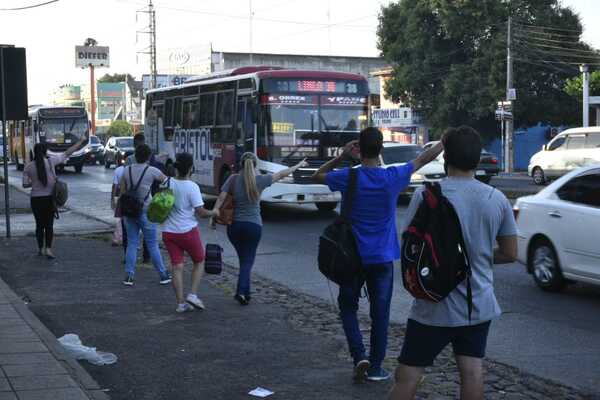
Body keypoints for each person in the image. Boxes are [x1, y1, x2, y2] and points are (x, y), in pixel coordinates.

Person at [389, 126, 518, 400]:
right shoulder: (497, 200)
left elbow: (410, 243)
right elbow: (510, 253)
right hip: (477, 306)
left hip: (431, 305)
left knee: (408, 374)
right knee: (472, 372)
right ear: (477, 159)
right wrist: (475, 256)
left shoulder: (425, 196)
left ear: (446, 158)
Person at [312, 127, 443, 383]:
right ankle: (375, 368)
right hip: (382, 257)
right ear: (381, 149)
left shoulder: (348, 177)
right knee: (380, 313)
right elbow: (425, 157)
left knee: (348, 307)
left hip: (351, 256)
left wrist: (341, 156)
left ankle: (358, 354)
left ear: (359, 149)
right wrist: (445, 139)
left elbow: (319, 175)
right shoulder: (393, 176)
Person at [211, 152, 307, 305]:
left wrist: (214, 213)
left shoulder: (233, 179)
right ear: (255, 165)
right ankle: (241, 291)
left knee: (244, 260)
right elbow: (282, 173)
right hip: (253, 226)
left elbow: (221, 198)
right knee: (247, 261)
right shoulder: (261, 180)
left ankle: (246, 294)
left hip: (234, 226)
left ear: (240, 164)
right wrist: (299, 165)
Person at [161, 153, 219, 313]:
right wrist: (214, 212)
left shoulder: (167, 182)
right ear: (191, 168)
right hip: (187, 231)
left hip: (168, 232)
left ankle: (180, 304)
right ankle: (192, 294)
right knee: (199, 261)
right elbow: (201, 212)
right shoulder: (192, 187)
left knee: (176, 267)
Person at [22, 137, 87, 259]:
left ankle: (40, 249)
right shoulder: (51, 161)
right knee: (49, 225)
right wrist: (80, 142)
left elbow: (25, 184)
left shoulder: (28, 167)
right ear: (46, 152)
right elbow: (68, 152)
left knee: (39, 225)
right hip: (49, 199)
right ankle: (48, 250)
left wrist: (35, 182)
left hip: (36, 199)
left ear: (35, 152)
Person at [120, 144, 171, 286]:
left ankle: (129, 276)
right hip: (147, 211)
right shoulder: (152, 171)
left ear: (135, 156)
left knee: (132, 243)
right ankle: (163, 275)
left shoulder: (126, 170)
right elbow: (168, 182)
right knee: (152, 244)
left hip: (129, 211)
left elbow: (122, 192)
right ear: (149, 156)